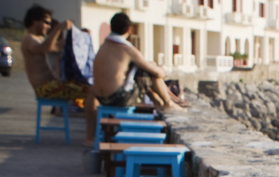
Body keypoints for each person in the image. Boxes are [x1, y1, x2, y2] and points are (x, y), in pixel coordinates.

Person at [22, 4, 97, 144]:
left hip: (53, 85)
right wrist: (58, 29)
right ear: (34, 21)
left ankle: (94, 134)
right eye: (46, 22)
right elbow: (44, 48)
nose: (48, 26)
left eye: (50, 24)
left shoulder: (37, 39)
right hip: (45, 89)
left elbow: (56, 48)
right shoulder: (29, 39)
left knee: (91, 89)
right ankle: (90, 137)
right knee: (90, 92)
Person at [92, 12, 187, 111]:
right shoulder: (127, 49)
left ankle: (159, 102)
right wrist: (163, 71)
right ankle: (167, 103)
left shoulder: (104, 46)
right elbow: (156, 72)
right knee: (146, 71)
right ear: (129, 29)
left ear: (111, 27)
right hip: (119, 99)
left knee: (142, 70)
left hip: (101, 99)